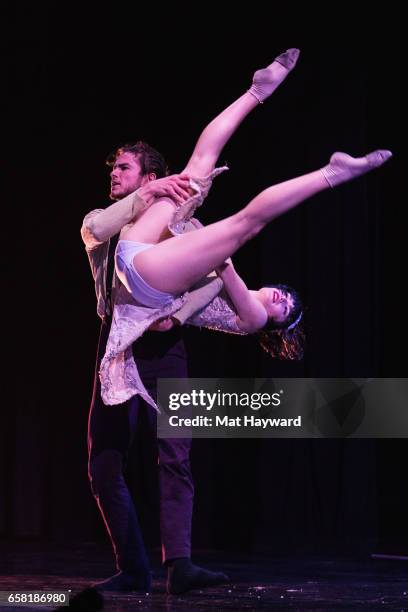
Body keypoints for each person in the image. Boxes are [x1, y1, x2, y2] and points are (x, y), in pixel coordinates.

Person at [82, 48, 301, 594]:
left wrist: (251, 312)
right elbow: (101, 228)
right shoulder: (102, 220)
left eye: (125, 167)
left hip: (167, 347)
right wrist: (147, 196)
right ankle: (134, 567)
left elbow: (210, 287)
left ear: (152, 173)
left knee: (175, 455)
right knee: (106, 462)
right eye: (114, 167)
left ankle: (179, 564)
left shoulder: (184, 220)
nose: (115, 173)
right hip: (118, 346)